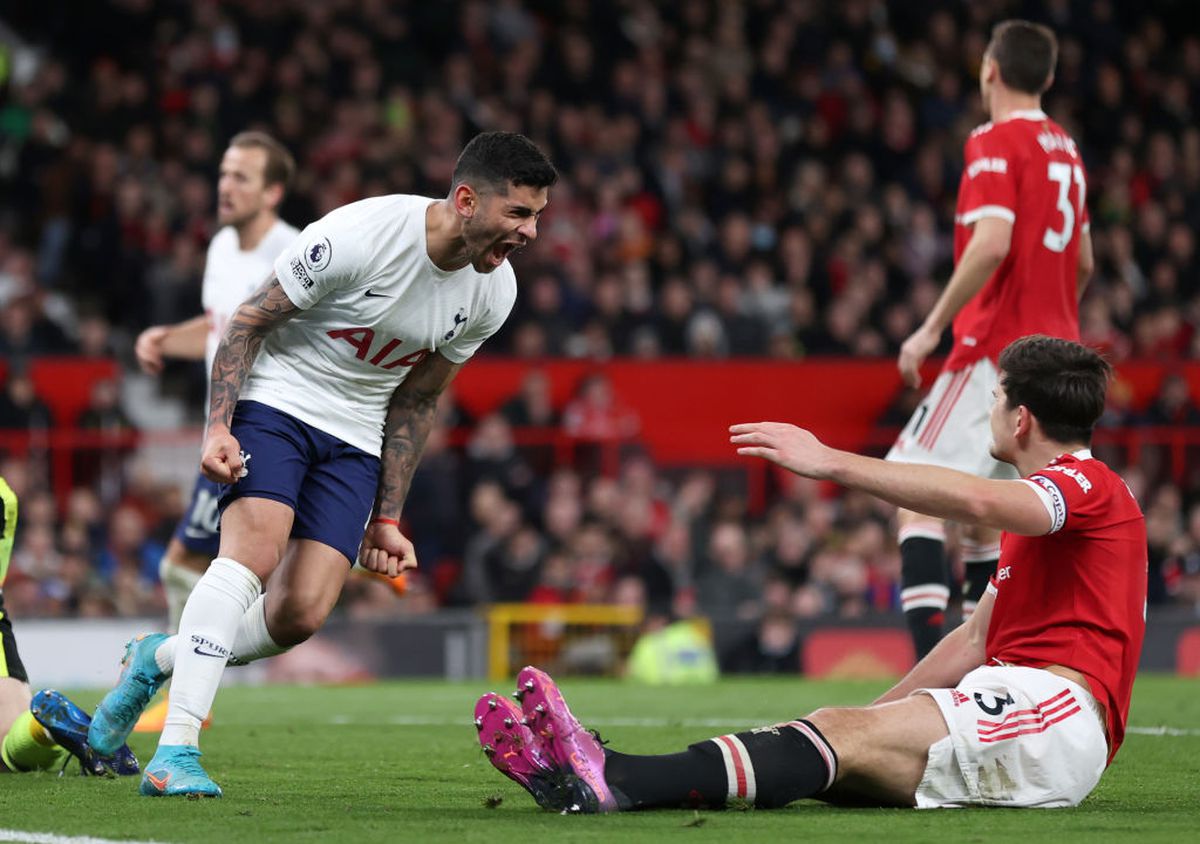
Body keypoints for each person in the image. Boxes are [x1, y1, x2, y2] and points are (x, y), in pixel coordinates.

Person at [477, 336, 1145, 812]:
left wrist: (832, 462)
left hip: (1058, 716)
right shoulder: (1044, 518)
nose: (988, 410)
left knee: (839, 738)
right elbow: (972, 644)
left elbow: (974, 499)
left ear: (1020, 418)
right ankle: (589, 780)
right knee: (833, 737)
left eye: (995, 397)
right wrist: (874, 712)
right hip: (1020, 703)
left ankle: (613, 775)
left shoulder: (1088, 485)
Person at [88, 131, 557, 798]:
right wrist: (218, 426)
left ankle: (156, 656)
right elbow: (246, 323)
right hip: (277, 401)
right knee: (252, 555)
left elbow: (419, 400)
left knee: (300, 615)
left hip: (357, 435)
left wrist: (387, 517)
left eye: (537, 215)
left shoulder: (493, 293)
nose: (531, 231)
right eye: (518, 213)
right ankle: (177, 750)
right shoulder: (360, 235)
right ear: (465, 199)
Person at [887, 20, 1095, 659]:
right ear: (1050, 78)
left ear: (990, 71)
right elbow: (1083, 262)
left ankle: (928, 674)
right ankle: (987, 674)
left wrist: (929, 328)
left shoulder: (993, 140)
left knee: (912, 495)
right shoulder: (1067, 148)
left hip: (992, 353)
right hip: (1058, 358)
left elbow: (993, 242)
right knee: (983, 518)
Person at [131, 131, 298, 732]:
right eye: (224, 173)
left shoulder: (296, 252)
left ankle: (184, 699)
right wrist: (163, 338)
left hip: (265, 427)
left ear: (273, 191)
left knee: (190, 566)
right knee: (192, 567)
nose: (225, 186)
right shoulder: (223, 247)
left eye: (242, 177)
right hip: (227, 428)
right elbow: (219, 327)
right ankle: (186, 698)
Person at [0, 475, 137, 776]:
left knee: (9, 757)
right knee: (10, 746)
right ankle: (45, 730)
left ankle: (48, 731)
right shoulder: (5, 495)